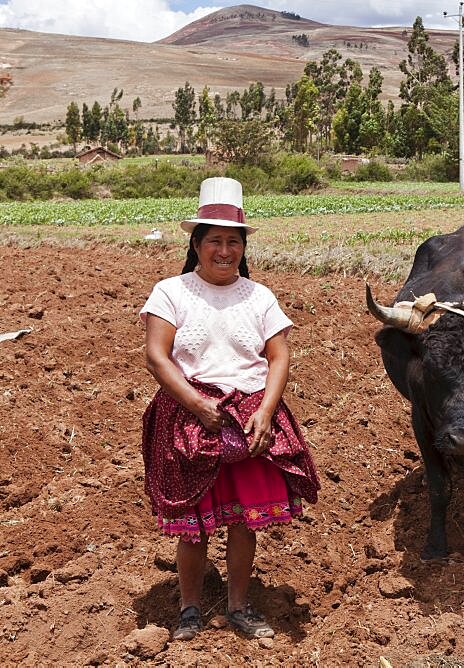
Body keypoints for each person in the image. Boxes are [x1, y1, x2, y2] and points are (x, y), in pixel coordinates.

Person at [140, 177, 320, 640]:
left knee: (244, 520)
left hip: (249, 418)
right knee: (193, 524)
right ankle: (189, 608)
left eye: (233, 242)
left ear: (243, 246)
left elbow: (279, 356)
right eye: (215, 241)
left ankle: (239, 606)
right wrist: (197, 403)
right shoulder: (171, 292)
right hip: (189, 416)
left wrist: (267, 409)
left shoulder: (259, 297)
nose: (225, 250)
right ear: (196, 244)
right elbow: (158, 356)